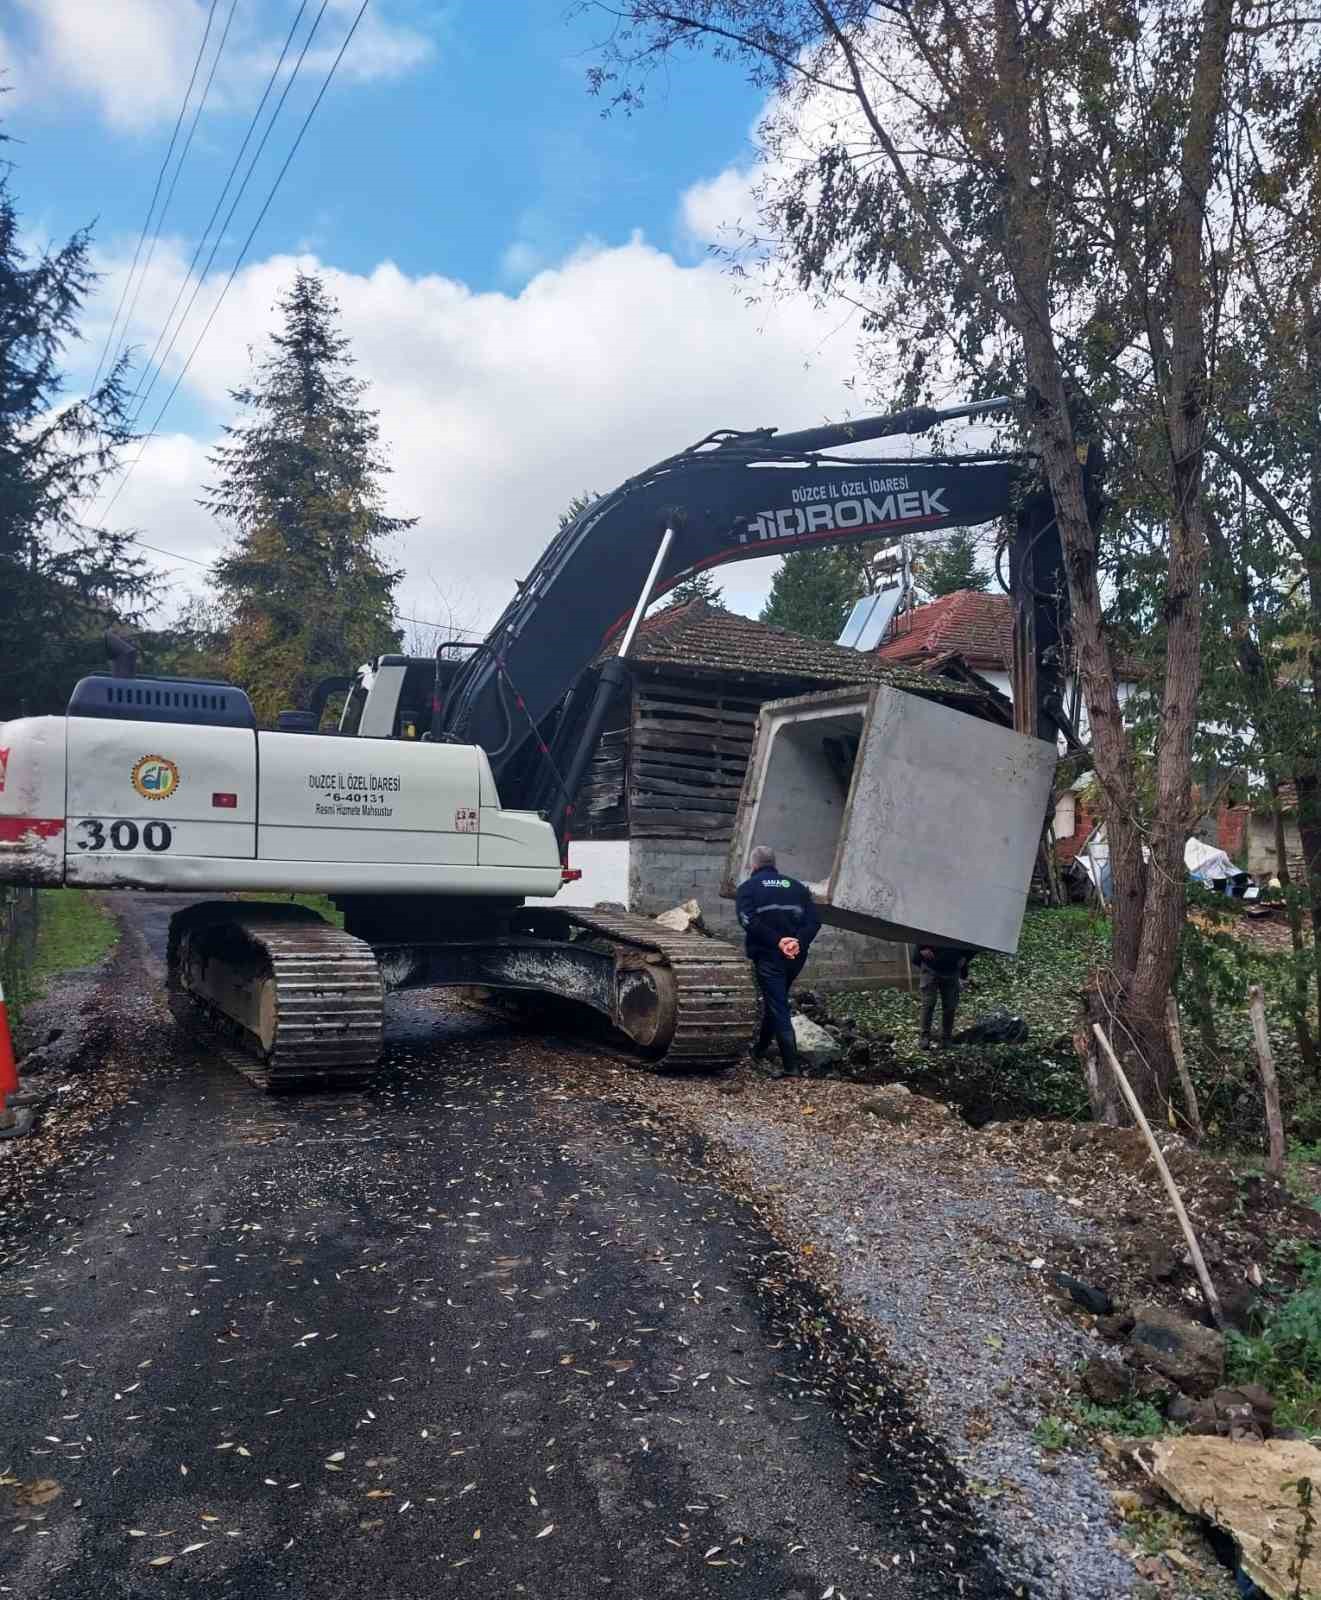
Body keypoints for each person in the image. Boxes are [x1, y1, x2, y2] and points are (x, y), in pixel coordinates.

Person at [736, 845, 821, 1076]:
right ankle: (761, 1048)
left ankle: (791, 1067)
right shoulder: (797, 887)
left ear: (753, 865)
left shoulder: (748, 889)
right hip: (795, 956)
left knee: (778, 1005)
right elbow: (814, 922)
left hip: (769, 956)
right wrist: (796, 942)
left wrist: (778, 942)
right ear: (774, 863)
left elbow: (748, 921)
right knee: (776, 999)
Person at [910, 942, 974, 1049]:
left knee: (950, 1006)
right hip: (931, 966)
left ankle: (946, 1039)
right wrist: (922, 947)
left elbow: (977, 938)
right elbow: (918, 930)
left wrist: (966, 956)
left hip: (953, 967)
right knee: (929, 1003)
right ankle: (924, 1038)